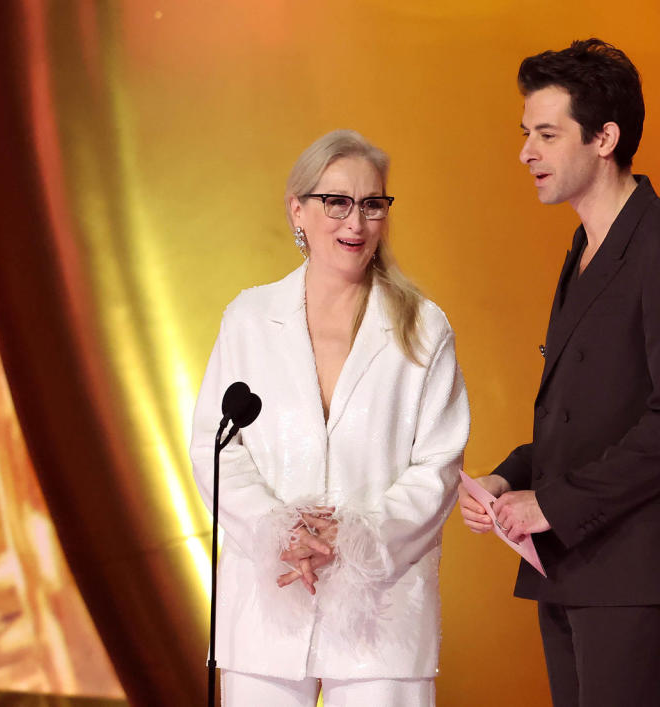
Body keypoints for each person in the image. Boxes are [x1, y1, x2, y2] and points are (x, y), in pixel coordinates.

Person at [458, 39, 660, 706]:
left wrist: (548, 502)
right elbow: (590, 413)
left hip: (634, 569)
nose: (526, 152)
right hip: (569, 563)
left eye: (547, 134)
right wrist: (509, 476)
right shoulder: (582, 248)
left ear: (605, 137)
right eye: (526, 134)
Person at [190, 129, 469, 706]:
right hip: (268, 601)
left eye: (372, 205)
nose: (356, 223)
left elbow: (438, 466)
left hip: (382, 613)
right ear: (298, 209)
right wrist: (281, 531)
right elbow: (216, 448)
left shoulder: (423, 327)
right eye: (336, 202)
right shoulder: (248, 318)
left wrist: (357, 537)